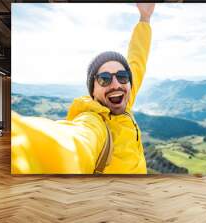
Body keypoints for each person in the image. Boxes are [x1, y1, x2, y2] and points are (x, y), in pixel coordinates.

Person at [12, 3, 154, 174]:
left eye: (122, 76)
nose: (116, 84)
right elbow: (72, 144)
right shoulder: (94, 122)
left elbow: (137, 60)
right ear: (92, 91)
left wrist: (145, 19)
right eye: (104, 79)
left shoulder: (125, 100)